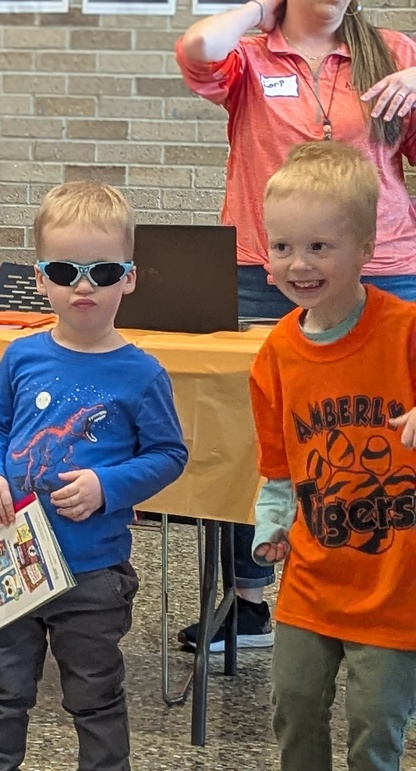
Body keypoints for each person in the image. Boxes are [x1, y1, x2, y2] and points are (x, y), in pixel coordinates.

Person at [175, 0, 416, 652]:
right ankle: (250, 597)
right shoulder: (252, 56)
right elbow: (197, 47)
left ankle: (391, 596)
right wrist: (260, 9)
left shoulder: (393, 52)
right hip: (265, 269)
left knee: (386, 436)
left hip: (386, 266)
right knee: (255, 430)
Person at [0, 181, 189, 771]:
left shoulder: (142, 374)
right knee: (0, 689)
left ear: (129, 278)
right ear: (40, 279)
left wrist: (107, 486)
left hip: (91, 570)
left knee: (95, 694)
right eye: (65, 271)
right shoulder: (21, 356)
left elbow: (169, 454)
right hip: (13, 557)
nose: (83, 286)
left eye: (103, 271)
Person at [249, 140, 416, 771]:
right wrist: (272, 527)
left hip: (394, 584)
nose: (299, 264)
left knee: (376, 726)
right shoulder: (275, 355)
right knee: (293, 707)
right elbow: (278, 468)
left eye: (320, 246)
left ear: (366, 248)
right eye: (283, 246)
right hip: (311, 581)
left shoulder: (405, 330)